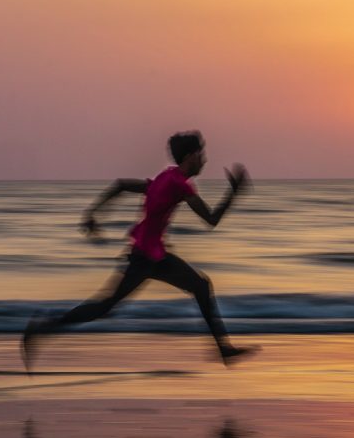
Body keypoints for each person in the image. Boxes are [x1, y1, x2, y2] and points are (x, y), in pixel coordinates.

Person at [21, 131, 258, 371]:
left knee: (199, 286)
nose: (205, 160)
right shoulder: (180, 184)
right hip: (146, 257)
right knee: (106, 306)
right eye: (201, 154)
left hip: (153, 255)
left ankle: (223, 349)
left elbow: (122, 185)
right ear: (190, 156)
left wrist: (93, 213)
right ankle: (42, 328)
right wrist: (233, 193)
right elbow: (211, 220)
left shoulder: (167, 177)